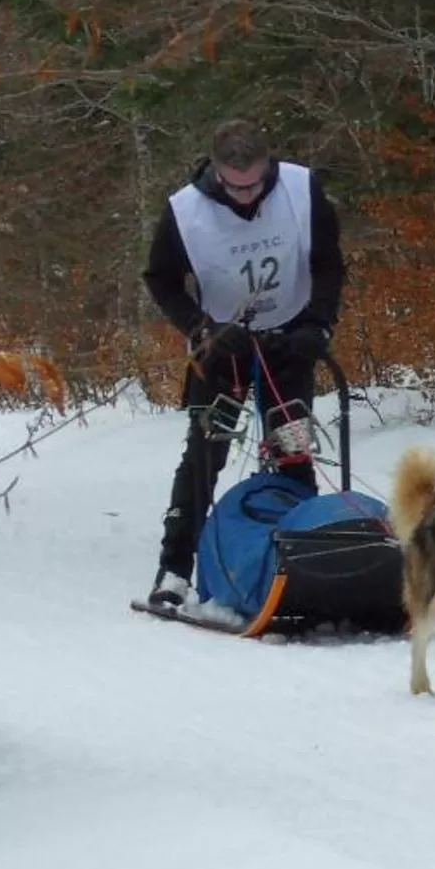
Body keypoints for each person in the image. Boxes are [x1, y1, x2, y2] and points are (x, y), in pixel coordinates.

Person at [141, 118, 346, 611]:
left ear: (269, 166)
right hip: (224, 350)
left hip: (288, 341)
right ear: (216, 172)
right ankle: (174, 568)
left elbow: (328, 261)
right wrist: (200, 328)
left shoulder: (301, 188)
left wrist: (318, 323)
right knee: (205, 454)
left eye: (255, 184)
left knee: (292, 448)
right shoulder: (184, 211)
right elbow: (161, 279)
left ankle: (298, 560)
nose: (246, 197)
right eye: (235, 188)